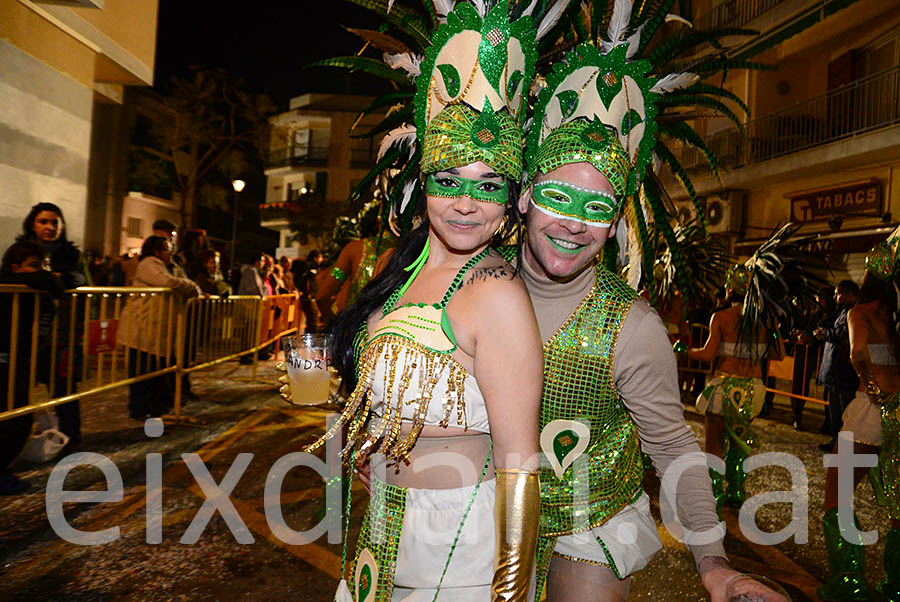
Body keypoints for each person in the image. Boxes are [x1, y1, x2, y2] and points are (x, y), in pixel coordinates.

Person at [290, 4, 545, 599]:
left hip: (460, 540)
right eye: (449, 180)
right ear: (423, 181)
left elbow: (519, 457)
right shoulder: (395, 271)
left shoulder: (497, 293)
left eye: (488, 187)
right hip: (381, 529)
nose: (465, 203)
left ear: (511, 201)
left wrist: (508, 589)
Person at [817, 239, 900, 601]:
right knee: (898, 509)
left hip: (871, 411)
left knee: (837, 497)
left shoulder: (860, 313)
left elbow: (857, 350)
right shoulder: (895, 318)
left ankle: (849, 580)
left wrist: (869, 383)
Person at [687, 266, 783, 515]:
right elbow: (779, 353)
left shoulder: (721, 317)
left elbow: (708, 354)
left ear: (730, 288)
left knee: (715, 443)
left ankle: (714, 495)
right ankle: (736, 491)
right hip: (753, 388)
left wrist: (683, 350)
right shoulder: (765, 318)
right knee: (740, 441)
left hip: (724, 386)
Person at [17, 202, 90, 450]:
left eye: (54, 222)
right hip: (24, 331)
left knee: (65, 390)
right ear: (32, 224)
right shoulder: (19, 250)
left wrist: (68, 279)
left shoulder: (72, 256)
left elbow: (85, 282)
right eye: (43, 221)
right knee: (18, 390)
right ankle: (15, 441)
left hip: (62, 335)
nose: (50, 227)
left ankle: (70, 439)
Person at [0, 241, 65, 494]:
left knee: (19, 418)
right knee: (15, 419)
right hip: (5, 360)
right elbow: (54, 282)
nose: (43, 271)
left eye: (45, 265)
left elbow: (67, 279)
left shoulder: (33, 287)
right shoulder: (10, 288)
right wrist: (50, 279)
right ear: (16, 268)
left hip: (19, 361)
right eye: (35, 266)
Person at [119, 236, 201, 419]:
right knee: (141, 372)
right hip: (141, 326)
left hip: (154, 328)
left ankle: (153, 406)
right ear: (155, 251)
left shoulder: (170, 265)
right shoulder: (149, 263)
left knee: (153, 371)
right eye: (166, 248)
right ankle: (139, 409)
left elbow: (181, 280)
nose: (169, 252)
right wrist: (192, 286)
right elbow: (169, 283)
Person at [815, 280, 861, 452]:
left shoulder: (852, 312)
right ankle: (836, 442)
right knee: (835, 411)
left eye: (838, 293)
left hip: (843, 371)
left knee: (844, 411)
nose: (835, 297)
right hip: (835, 371)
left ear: (848, 294)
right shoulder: (841, 312)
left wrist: (824, 333)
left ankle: (843, 445)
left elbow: (841, 334)